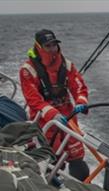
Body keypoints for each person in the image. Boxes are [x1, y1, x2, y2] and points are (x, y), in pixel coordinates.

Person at [19, 29, 90, 180]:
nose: (52, 49)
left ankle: (82, 190)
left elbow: (79, 87)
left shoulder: (67, 65)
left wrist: (81, 101)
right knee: (53, 161)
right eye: (48, 46)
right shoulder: (27, 70)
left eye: (54, 45)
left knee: (77, 158)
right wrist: (53, 114)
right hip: (45, 121)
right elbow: (33, 99)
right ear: (39, 47)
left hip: (68, 116)